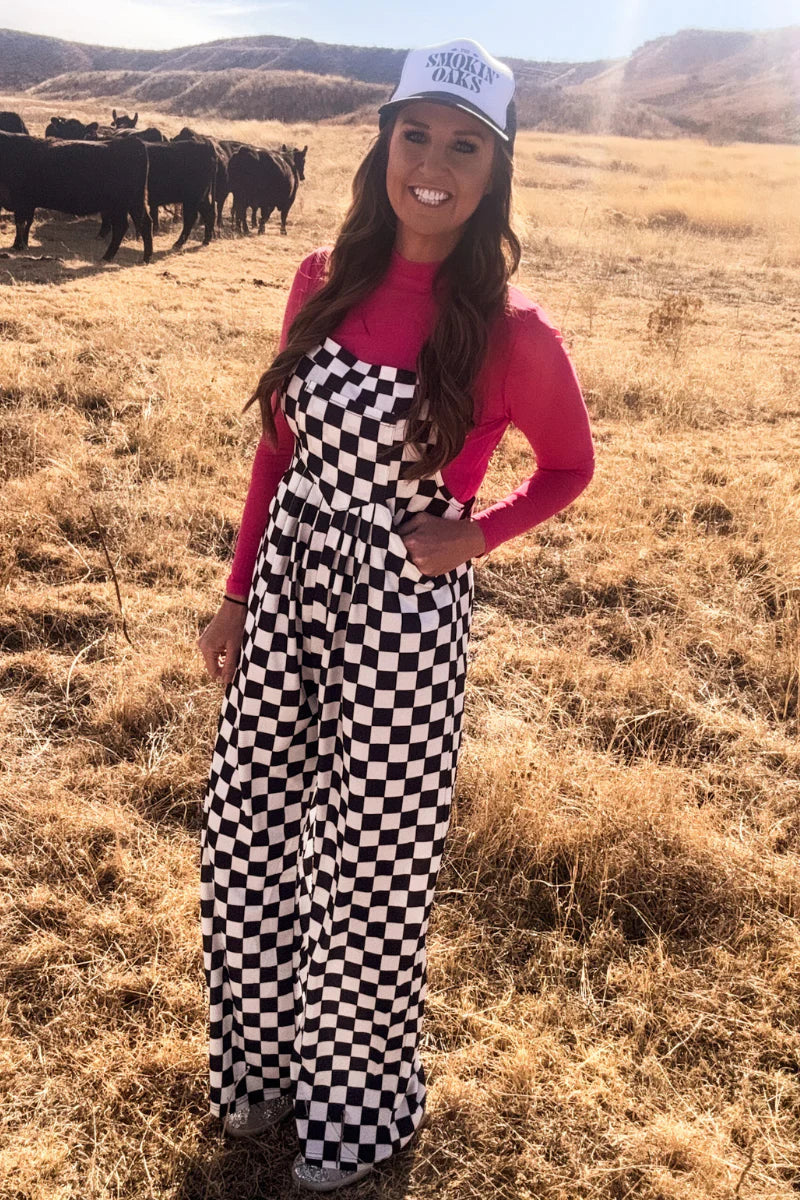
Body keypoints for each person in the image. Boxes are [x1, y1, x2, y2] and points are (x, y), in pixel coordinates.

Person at [196, 36, 595, 1193]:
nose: (432, 164)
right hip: (287, 592)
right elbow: (276, 453)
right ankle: (260, 1074)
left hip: (402, 619)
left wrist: (476, 534)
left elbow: (568, 467)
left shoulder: (515, 330)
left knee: (370, 867)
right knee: (246, 836)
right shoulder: (319, 276)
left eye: (464, 145)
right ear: (382, 144)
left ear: (495, 167)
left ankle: (355, 1118)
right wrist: (234, 596)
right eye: (413, 135)